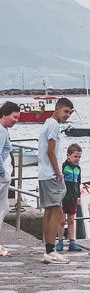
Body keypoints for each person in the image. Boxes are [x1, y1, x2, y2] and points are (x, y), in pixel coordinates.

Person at [37, 98, 75, 263]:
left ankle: (48, 249)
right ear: (57, 108)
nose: (68, 115)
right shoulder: (53, 125)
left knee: (49, 212)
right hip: (51, 174)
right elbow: (51, 151)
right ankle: (50, 250)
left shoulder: (47, 123)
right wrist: (58, 172)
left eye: (70, 112)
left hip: (43, 173)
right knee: (57, 212)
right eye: (65, 111)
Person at [0, 101, 21, 258]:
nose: (16, 120)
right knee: (2, 209)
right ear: (4, 114)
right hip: (1, 176)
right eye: (14, 117)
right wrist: (4, 174)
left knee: (4, 208)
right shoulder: (1, 131)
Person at [57, 143, 85, 254]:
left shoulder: (78, 169)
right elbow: (59, 182)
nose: (77, 159)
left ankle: (72, 241)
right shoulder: (64, 167)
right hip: (64, 197)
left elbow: (78, 183)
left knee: (72, 220)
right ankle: (60, 241)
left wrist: (78, 196)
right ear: (68, 155)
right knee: (62, 221)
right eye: (75, 157)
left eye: (79, 157)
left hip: (73, 197)